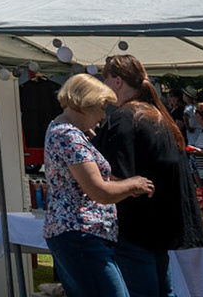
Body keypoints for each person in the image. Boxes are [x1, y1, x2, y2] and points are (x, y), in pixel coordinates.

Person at [95, 54, 203, 297]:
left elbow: (115, 176)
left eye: (106, 80)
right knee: (164, 291)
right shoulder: (158, 116)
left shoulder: (125, 118)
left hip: (135, 226)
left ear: (117, 81)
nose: (104, 87)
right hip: (160, 224)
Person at [45, 74, 156, 297]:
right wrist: (132, 183)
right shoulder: (69, 137)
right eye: (102, 108)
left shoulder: (61, 129)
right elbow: (99, 192)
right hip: (82, 234)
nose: (103, 116)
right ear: (85, 104)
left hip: (77, 234)